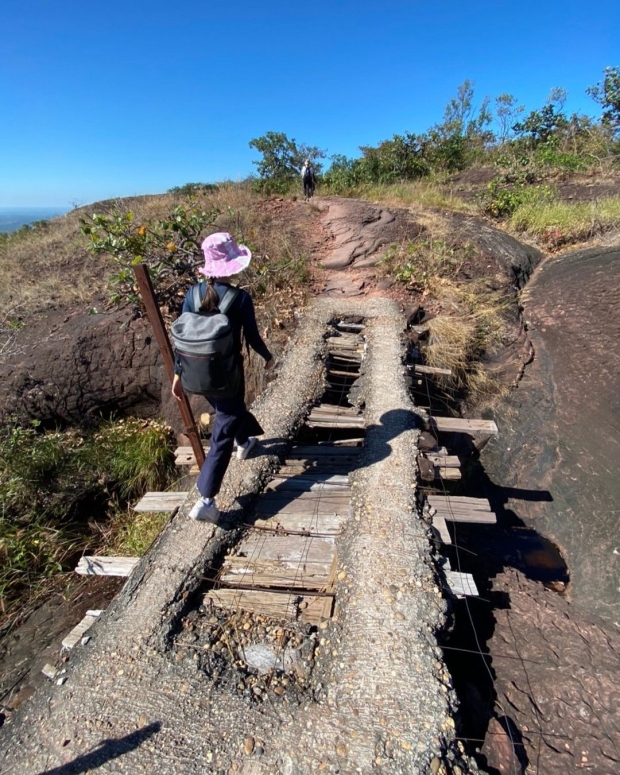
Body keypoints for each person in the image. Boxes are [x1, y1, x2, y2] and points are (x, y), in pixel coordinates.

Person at [172, 232, 274, 523]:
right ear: (233, 265)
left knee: (227, 410)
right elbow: (252, 337)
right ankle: (206, 499)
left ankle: (246, 442)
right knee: (221, 435)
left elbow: (183, 336)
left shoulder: (192, 294)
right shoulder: (240, 299)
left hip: (195, 374)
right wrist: (269, 357)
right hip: (228, 375)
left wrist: (178, 374)